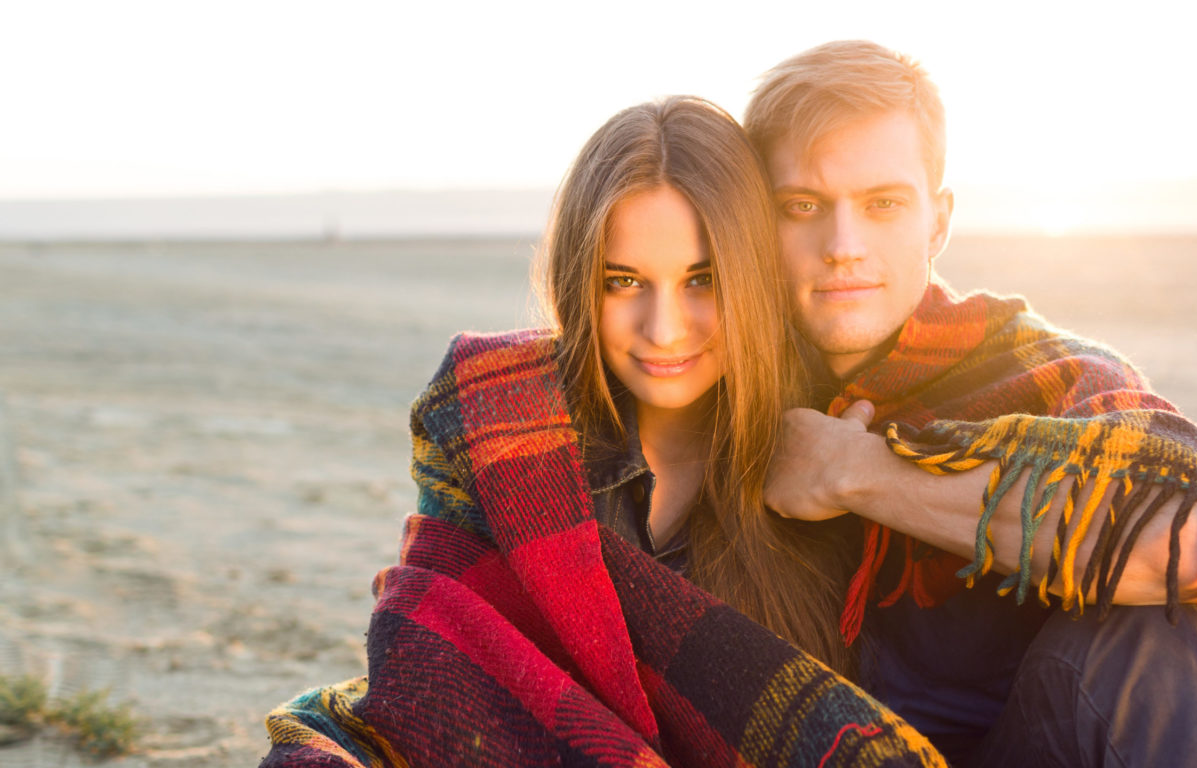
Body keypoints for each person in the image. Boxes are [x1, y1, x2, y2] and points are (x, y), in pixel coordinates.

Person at [259, 96, 945, 767]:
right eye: (624, 282)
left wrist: (862, 475)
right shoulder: (500, 423)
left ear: (754, 273)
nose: (664, 329)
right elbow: (437, 668)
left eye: (702, 279)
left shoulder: (832, 434)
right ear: (579, 278)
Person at [749, 41, 1197, 767]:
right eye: (803, 206)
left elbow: (1189, 543)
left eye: (883, 204)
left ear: (937, 223)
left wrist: (862, 472)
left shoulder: (1041, 370)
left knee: (1149, 637)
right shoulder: (724, 385)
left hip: (1028, 747)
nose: (843, 245)